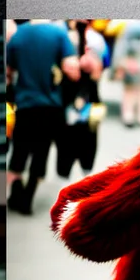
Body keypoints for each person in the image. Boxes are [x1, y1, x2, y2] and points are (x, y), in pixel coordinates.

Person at [5, 18, 71, 214]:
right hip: (51, 106)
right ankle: (28, 197)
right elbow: (71, 67)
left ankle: (16, 192)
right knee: (41, 153)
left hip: (25, 105)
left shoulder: (18, 35)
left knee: (19, 153)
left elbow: (8, 71)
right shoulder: (59, 34)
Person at [54, 21, 105, 182]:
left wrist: (92, 64)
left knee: (85, 141)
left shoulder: (94, 40)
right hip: (69, 98)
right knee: (67, 141)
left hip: (85, 98)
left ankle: (80, 171)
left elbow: (99, 69)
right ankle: (69, 172)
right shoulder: (62, 35)